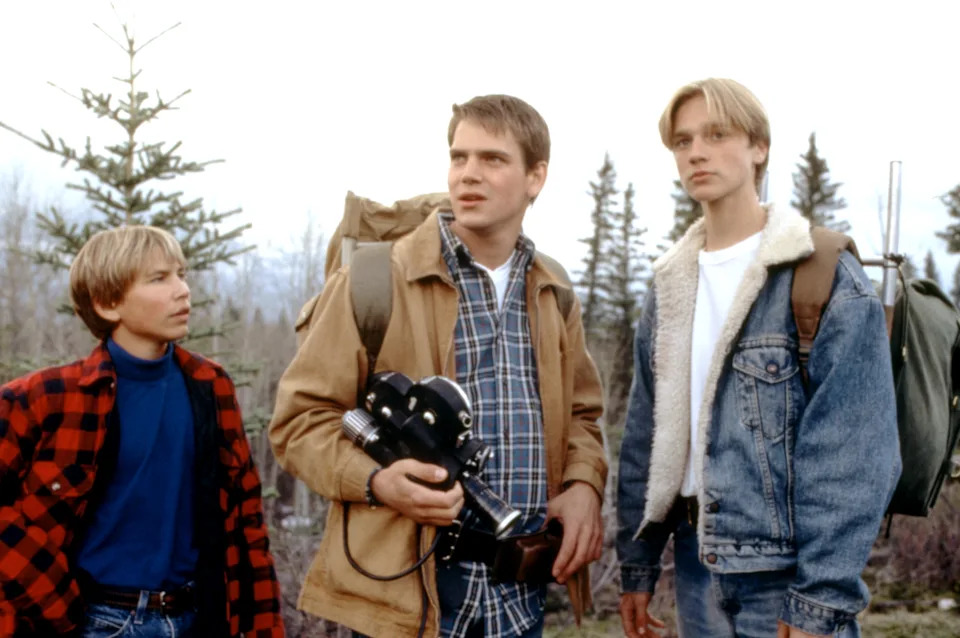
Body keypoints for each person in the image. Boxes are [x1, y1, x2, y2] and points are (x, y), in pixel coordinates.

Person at [269, 94, 608, 637]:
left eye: (492, 159)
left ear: (535, 177)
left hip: (518, 600)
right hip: (409, 601)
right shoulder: (375, 281)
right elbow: (298, 423)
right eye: (459, 157)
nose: (468, 174)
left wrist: (584, 484)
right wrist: (378, 481)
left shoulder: (554, 290)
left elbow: (584, 417)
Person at [616, 78, 901, 638]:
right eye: (682, 140)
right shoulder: (669, 284)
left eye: (716, 134)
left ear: (758, 147)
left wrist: (819, 599)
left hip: (785, 581)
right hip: (696, 570)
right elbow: (647, 439)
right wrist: (637, 564)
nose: (696, 151)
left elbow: (854, 454)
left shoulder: (818, 273)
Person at [0, 226, 284, 637]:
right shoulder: (44, 399)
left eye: (181, 274)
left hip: (196, 619)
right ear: (108, 303)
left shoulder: (210, 385)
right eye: (159, 278)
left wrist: (264, 628)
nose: (182, 290)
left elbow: (246, 523)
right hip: (97, 621)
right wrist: (52, 598)